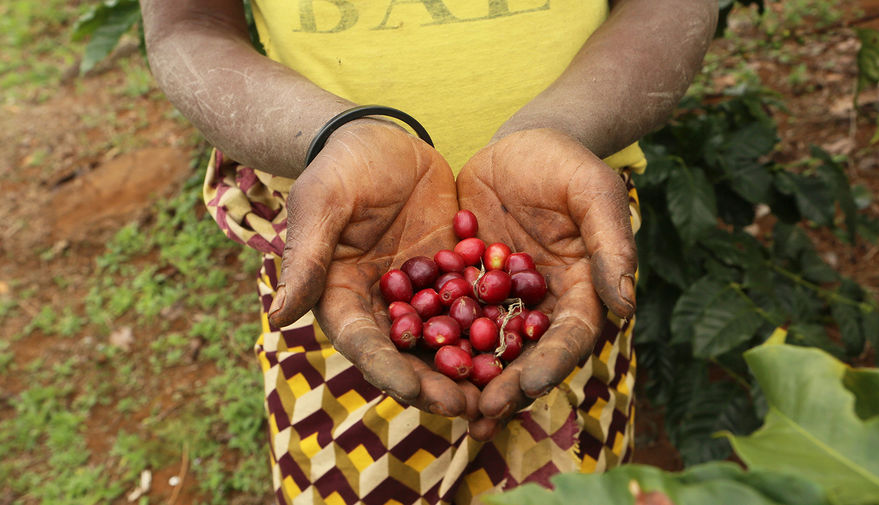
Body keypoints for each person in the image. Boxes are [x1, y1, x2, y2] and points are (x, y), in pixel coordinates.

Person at [139, 0, 717, 502]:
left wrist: (561, 127)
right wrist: (333, 134)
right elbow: (188, 25)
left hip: (566, 245)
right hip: (338, 255)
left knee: (573, 481)